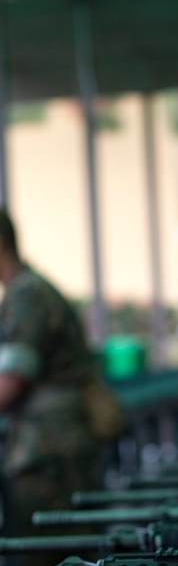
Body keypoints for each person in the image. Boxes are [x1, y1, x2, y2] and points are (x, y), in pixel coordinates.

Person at [0, 210, 106, 548]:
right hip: (60, 449)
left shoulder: (25, 295)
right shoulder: (31, 289)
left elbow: (12, 382)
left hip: (49, 455)